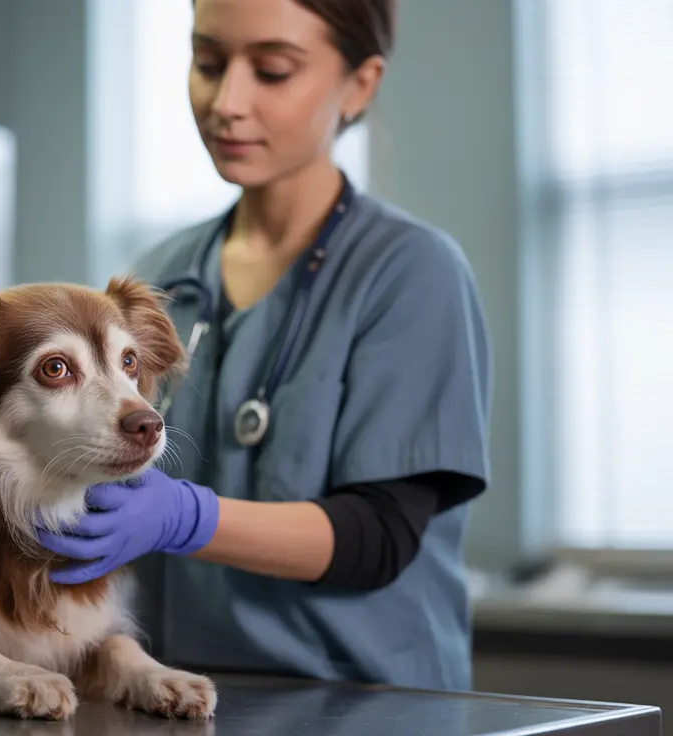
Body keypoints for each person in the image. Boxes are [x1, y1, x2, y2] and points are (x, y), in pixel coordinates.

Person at [37, 0, 491, 692]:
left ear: (361, 83)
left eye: (273, 71)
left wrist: (188, 517)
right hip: (175, 693)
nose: (227, 102)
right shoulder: (162, 276)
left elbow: (380, 535)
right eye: (208, 63)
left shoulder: (409, 273)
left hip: (361, 702)